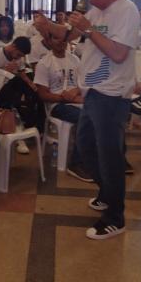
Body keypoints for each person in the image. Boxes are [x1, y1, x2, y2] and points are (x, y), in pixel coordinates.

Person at [34, 0, 141, 240]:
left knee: (109, 157)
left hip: (112, 94)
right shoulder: (96, 11)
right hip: (92, 91)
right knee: (85, 146)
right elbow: (69, 36)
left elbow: (118, 54)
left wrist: (89, 28)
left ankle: (115, 217)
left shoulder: (126, 11)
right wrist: (46, 26)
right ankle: (106, 193)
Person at [33, 31, 93, 182]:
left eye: (64, 40)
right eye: (56, 38)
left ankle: (94, 157)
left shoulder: (74, 60)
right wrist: (64, 97)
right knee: (84, 118)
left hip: (75, 99)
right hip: (56, 104)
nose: (61, 42)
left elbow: (82, 83)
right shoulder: (44, 63)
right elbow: (42, 94)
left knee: (100, 113)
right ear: (50, 40)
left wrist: (75, 92)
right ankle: (76, 164)